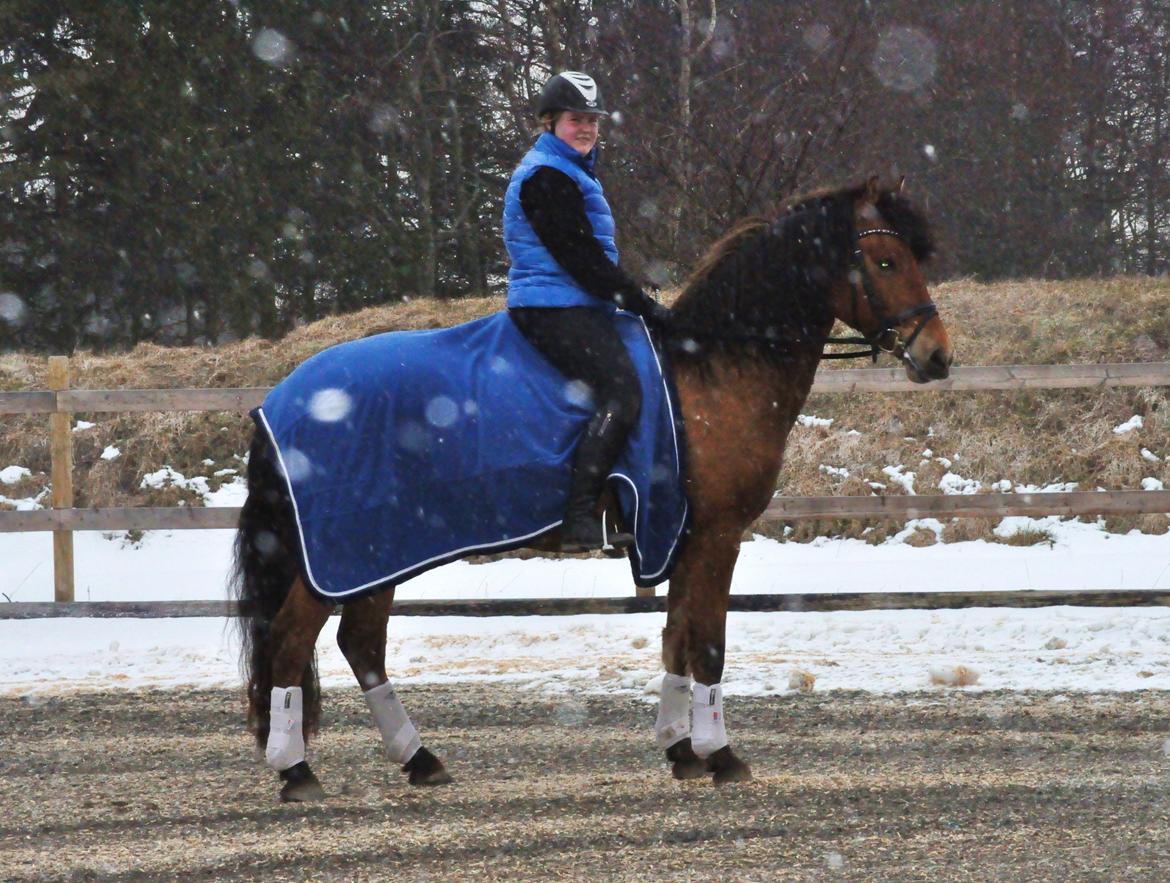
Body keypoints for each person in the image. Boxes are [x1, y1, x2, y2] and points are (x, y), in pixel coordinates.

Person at [505, 71, 670, 553]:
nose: (586, 129)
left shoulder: (572, 171)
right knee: (621, 390)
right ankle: (578, 516)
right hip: (552, 307)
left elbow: (594, 259)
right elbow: (581, 260)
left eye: (593, 121)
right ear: (551, 121)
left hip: (575, 302)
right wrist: (642, 305)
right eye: (577, 120)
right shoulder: (546, 176)